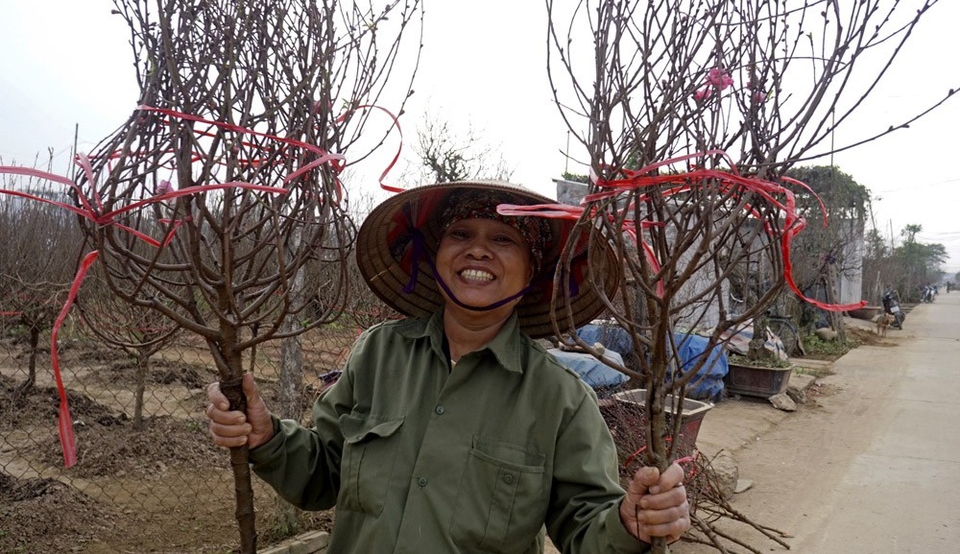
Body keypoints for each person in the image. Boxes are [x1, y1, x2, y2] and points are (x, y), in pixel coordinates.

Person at [206, 180, 690, 553]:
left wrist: (629, 523)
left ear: (533, 271)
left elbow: (584, 527)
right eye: (460, 233)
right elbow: (322, 475)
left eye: (503, 239)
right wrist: (267, 438)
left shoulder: (559, 399)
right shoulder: (378, 355)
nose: (477, 249)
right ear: (435, 257)